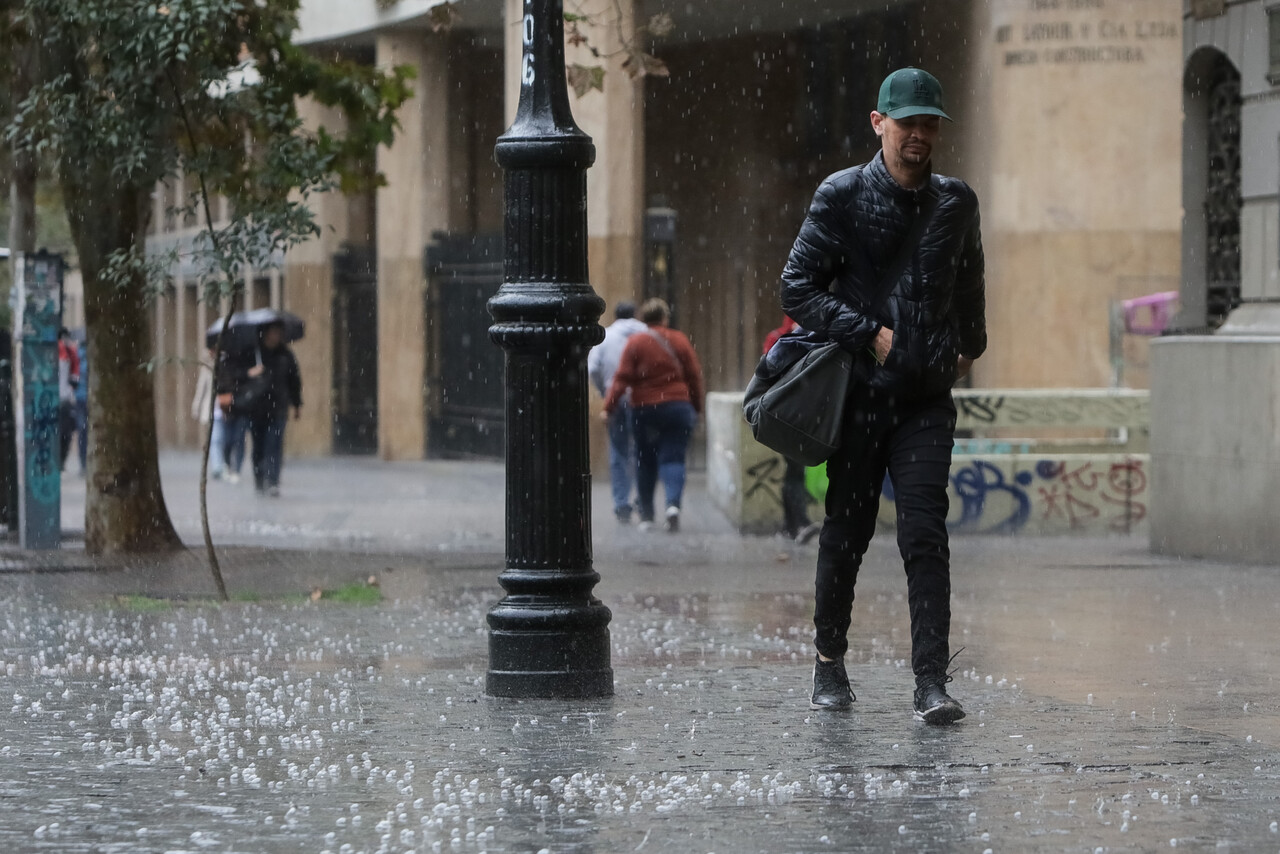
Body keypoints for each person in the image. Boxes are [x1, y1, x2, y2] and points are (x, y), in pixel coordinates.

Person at [779, 68, 986, 724]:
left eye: (930, 123)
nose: (920, 135)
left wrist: (971, 344)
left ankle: (931, 683)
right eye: (908, 123)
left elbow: (971, 277)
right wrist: (870, 333)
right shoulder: (840, 195)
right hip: (863, 395)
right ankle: (828, 663)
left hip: (926, 398)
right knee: (848, 531)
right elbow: (797, 288)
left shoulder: (957, 202)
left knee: (925, 532)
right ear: (879, 123)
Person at [602, 298, 704, 533]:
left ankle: (647, 516)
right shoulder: (679, 340)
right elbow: (694, 377)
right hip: (678, 407)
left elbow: (621, 379)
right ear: (665, 318)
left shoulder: (636, 343)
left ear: (643, 319)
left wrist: (609, 407)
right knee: (674, 458)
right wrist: (696, 408)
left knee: (645, 461)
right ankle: (673, 506)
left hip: (644, 410)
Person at [761, 316, 822, 544]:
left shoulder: (778, 338)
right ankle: (801, 523)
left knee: (793, 469)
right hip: (797, 412)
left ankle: (789, 526)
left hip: (785, 412)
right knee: (796, 468)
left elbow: (767, 372)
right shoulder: (793, 338)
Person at [587, 300, 647, 523]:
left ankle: (622, 503)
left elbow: (591, 368)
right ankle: (643, 500)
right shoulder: (646, 333)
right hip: (643, 400)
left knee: (619, 451)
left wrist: (605, 391)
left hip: (616, 399)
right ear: (635, 314)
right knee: (643, 451)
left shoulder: (605, 337)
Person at [246, 321, 301, 496]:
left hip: (278, 407)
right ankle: (259, 478)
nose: (275, 336)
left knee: (275, 445)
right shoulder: (253, 354)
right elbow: (237, 376)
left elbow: (294, 381)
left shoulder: (286, 355)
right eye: (273, 332)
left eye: (279, 333)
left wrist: (297, 404)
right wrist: (250, 373)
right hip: (256, 408)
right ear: (265, 333)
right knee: (259, 446)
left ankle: (273, 481)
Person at [191, 349, 226, 480]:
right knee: (216, 439)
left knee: (225, 439)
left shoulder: (227, 366)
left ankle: (225, 464)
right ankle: (218, 466)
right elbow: (201, 390)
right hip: (211, 409)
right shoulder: (207, 369)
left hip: (226, 408)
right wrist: (196, 407)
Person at [56, 328, 80, 470]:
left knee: (65, 434)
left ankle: (61, 461)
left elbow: (75, 376)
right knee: (64, 434)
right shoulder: (64, 351)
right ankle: (60, 460)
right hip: (62, 399)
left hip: (65, 399)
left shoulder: (70, 353)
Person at [74, 338, 88, 474]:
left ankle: (83, 462)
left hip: (80, 398)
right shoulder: (88, 358)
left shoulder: (77, 355)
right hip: (87, 398)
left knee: (82, 430)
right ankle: (85, 462)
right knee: (87, 430)